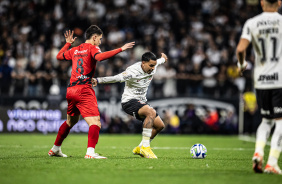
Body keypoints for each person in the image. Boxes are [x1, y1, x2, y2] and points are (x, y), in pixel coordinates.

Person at [48, 25, 135, 159]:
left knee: (70, 121)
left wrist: (67, 44)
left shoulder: (75, 49)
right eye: (100, 39)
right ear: (94, 37)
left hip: (71, 89)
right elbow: (100, 58)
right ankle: (90, 153)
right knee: (95, 122)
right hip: (83, 89)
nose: (100, 41)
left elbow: (59, 56)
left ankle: (55, 149)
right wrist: (120, 49)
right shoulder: (93, 48)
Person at [92, 51, 168, 158]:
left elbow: (159, 61)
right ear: (143, 63)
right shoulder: (132, 71)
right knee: (150, 112)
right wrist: (98, 80)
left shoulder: (153, 65)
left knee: (160, 126)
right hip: (129, 101)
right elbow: (116, 78)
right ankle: (146, 148)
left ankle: (140, 147)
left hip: (141, 101)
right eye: (151, 65)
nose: (153, 68)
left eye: (154, 65)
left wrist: (163, 58)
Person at [236, 0, 282, 174]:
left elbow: (241, 49)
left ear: (262, 3)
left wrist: (241, 65)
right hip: (280, 79)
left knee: (266, 121)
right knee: (280, 122)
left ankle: (258, 152)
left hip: (261, 80)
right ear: (279, 3)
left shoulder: (252, 23)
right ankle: (271, 162)